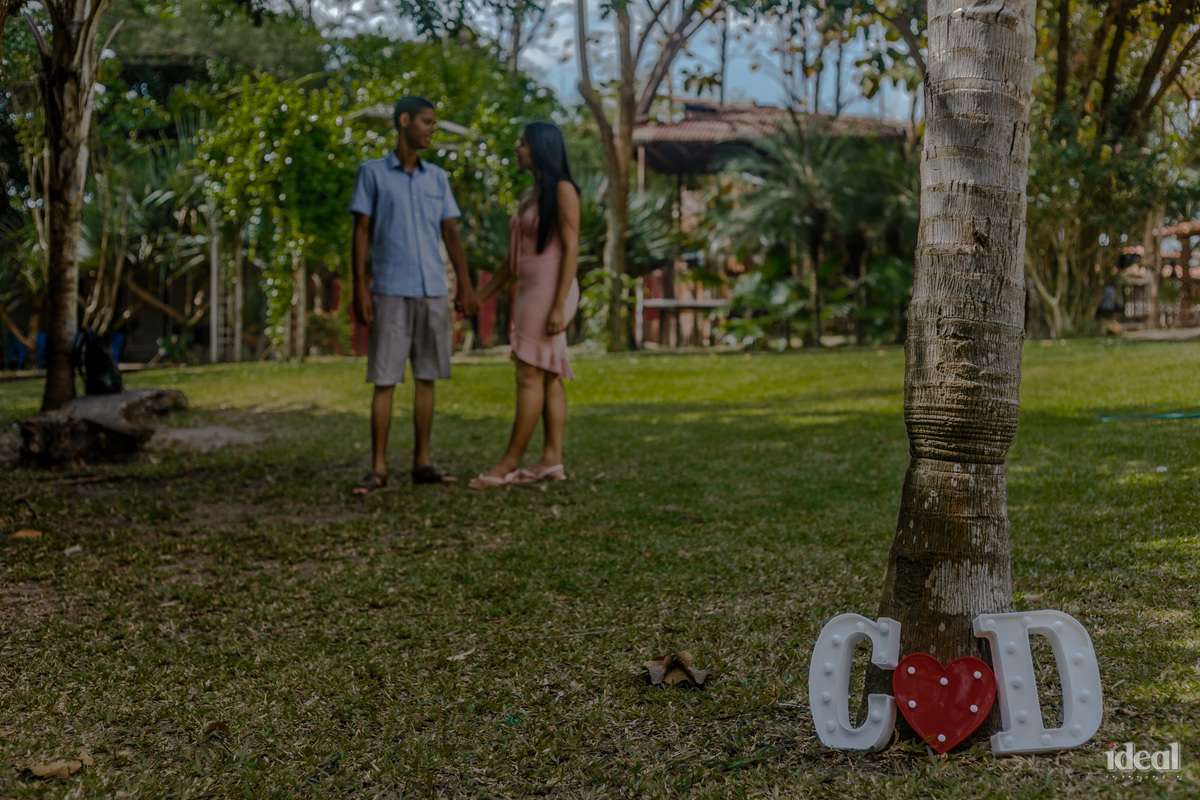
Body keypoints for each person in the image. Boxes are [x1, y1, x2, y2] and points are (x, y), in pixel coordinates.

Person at [348, 95, 478, 495]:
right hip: (388, 289)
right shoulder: (371, 173)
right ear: (403, 121)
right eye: (425, 121)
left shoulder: (437, 178)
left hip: (433, 290)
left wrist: (465, 285)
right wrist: (359, 288)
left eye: (433, 123)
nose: (431, 129)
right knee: (384, 380)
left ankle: (422, 462)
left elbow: (450, 234)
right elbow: (362, 232)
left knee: (427, 377)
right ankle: (379, 468)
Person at [469, 121, 581, 489]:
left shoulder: (563, 190)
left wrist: (558, 305)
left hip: (551, 292)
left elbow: (571, 249)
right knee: (547, 377)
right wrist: (479, 297)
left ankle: (507, 464)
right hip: (530, 292)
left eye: (523, 144)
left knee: (529, 374)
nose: (517, 149)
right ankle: (551, 461)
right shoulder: (530, 195)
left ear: (541, 149)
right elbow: (511, 262)